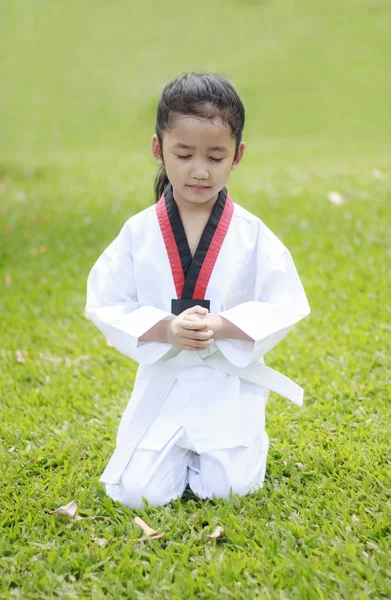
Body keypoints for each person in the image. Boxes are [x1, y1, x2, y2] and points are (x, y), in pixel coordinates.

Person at [85, 72, 310, 509]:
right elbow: (106, 301)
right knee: (136, 495)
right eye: (184, 154)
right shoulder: (139, 232)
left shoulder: (251, 234)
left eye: (215, 156)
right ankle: (175, 454)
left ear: (237, 156)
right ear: (158, 149)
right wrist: (166, 331)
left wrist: (223, 325)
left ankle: (239, 445)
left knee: (229, 491)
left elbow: (285, 301)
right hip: (164, 380)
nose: (200, 170)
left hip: (225, 383)